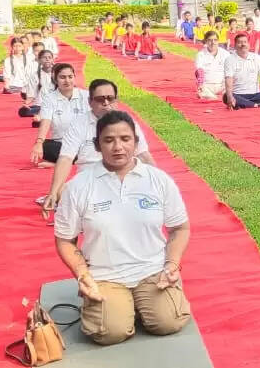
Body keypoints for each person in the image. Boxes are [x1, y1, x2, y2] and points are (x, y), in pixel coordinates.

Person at [53, 111, 192, 345]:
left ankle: (139, 302)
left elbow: (180, 228)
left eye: (125, 139)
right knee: (109, 332)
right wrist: (82, 274)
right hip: (105, 275)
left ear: (136, 143)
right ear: (97, 146)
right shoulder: (78, 186)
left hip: (152, 271)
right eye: (109, 140)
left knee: (168, 323)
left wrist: (172, 265)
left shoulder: (158, 179)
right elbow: (65, 240)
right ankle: (118, 305)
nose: (118, 147)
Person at [44, 79, 156, 214]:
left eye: (110, 98)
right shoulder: (79, 124)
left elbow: (143, 154)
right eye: (100, 99)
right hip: (89, 181)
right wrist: (53, 192)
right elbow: (66, 158)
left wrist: (156, 182)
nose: (106, 103)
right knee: (65, 193)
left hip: (123, 180)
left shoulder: (128, 122)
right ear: (90, 102)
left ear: (117, 100)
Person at [31, 63, 89, 169]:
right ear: (56, 79)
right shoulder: (50, 98)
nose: (67, 81)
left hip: (85, 143)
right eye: (62, 77)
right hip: (61, 144)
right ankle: (78, 162)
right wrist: (39, 142)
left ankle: (58, 164)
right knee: (45, 147)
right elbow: (46, 121)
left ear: (75, 78)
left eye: (70, 77)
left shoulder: (86, 96)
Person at [223, 33, 260, 109]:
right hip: (239, 95)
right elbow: (228, 79)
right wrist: (229, 96)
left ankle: (248, 104)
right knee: (226, 96)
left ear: (249, 44)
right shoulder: (229, 59)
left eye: (245, 42)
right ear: (235, 45)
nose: (243, 44)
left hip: (257, 95)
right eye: (240, 42)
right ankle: (256, 105)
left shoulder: (256, 57)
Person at [194, 31, 230, 100]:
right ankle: (214, 98)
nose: (213, 42)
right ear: (206, 42)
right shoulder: (200, 55)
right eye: (210, 40)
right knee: (201, 91)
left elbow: (230, 70)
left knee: (235, 89)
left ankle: (221, 96)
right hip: (207, 86)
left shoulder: (225, 54)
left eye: (215, 40)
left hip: (222, 86)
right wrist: (200, 84)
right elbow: (199, 71)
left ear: (218, 41)